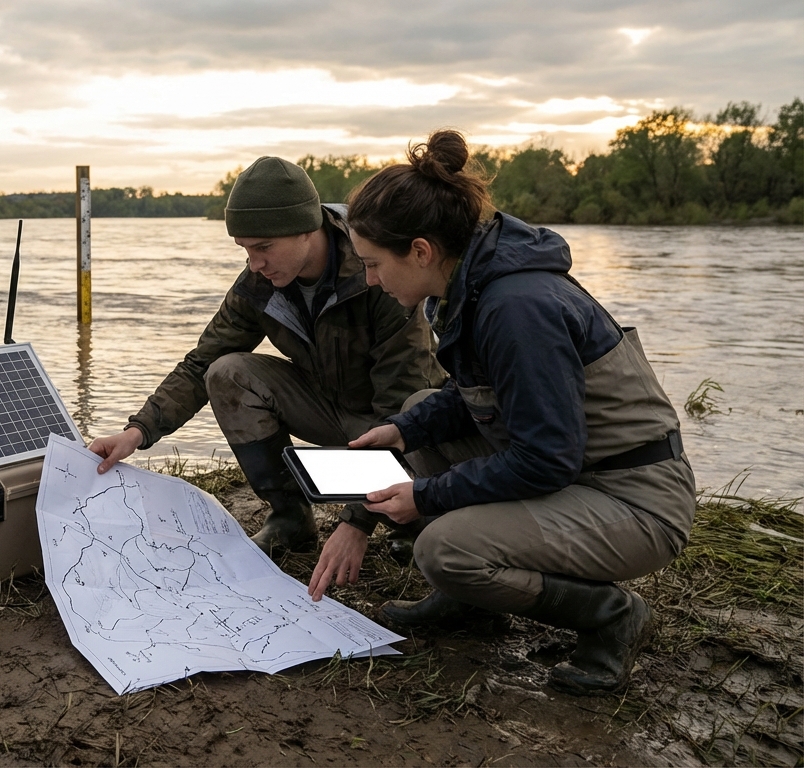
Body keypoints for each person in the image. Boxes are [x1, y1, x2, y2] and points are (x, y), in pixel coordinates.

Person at [308, 129, 695, 695]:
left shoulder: (517, 307)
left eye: (373, 264)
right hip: (583, 473)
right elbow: (475, 395)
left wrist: (425, 496)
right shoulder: (469, 284)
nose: (369, 279)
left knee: (444, 549)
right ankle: (472, 602)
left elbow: (545, 459)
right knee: (417, 410)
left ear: (421, 251)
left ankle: (612, 615)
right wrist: (401, 431)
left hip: (635, 501)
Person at [88, 156, 446, 557]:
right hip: (332, 409)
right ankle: (291, 517)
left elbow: (401, 401)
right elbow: (201, 362)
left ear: (307, 229)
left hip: (403, 425)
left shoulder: (379, 270)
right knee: (227, 372)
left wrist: (355, 523)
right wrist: (137, 432)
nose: (254, 264)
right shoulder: (259, 283)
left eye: (264, 248)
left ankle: (410, 519)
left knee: (417, 419)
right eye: (244, 249)